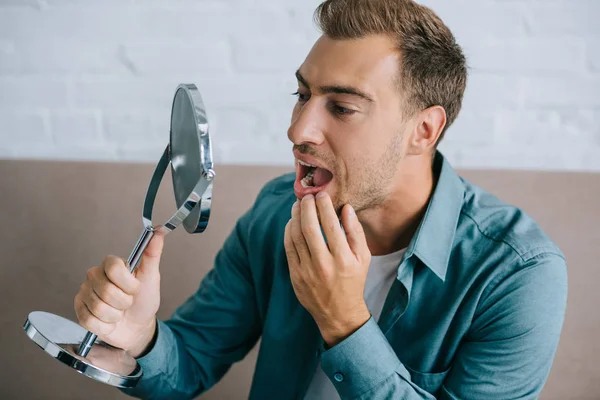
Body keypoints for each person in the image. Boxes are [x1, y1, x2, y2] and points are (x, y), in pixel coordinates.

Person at [73, 0, 568, 399]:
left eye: (342, 107)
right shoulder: (273, 216)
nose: (297, 130)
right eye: (302, 95)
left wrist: (343, 320)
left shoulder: (518, 274)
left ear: (424, 129)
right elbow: (189, 364)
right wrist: (141, 337)